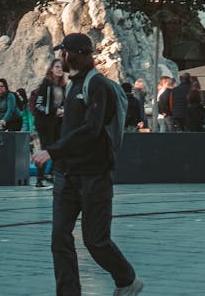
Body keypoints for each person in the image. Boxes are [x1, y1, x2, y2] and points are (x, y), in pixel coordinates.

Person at [31, 33, 144, 296]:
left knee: (95, 240)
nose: (61, 57)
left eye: (64, 52)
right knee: (59, 236)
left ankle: (127, 279)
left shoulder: (98, 86)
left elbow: (92, 129)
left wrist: (53, 151)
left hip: (94, 174)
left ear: (77, 54)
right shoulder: (71, 86)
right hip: (67, 174)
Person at [31, 59, 67, 189]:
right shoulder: (46, 84)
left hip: (57, 122)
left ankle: (51, 174)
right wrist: (54, 111)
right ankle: (41, 178)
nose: (59, 69)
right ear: (51, 69)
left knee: (58, 147)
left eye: (61, 67)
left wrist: (63, 111)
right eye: (57, 67)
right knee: (46, 148)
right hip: (45, 123)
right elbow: (39, 105)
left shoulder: (62, 86)